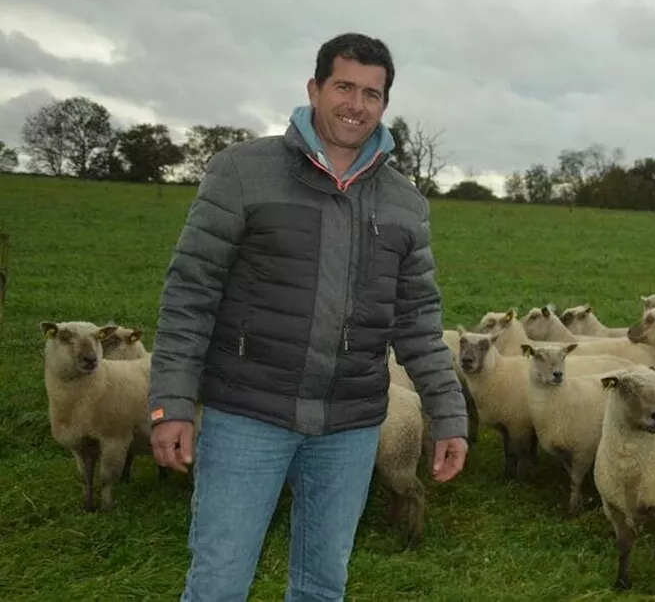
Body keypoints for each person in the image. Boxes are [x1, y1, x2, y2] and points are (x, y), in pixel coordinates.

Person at [148, 32, 469, 602]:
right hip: (249, 412)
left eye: (371, 93)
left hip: (349, 423)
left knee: (323, 585)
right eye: (344, 87)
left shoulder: (404, 203)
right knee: (219, 583)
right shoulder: (244, 172)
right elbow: (191, 290)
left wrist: (447, 413)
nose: (356, 104)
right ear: (314, 89)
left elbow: (418, 317)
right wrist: (171, 401)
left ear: (385, 105)